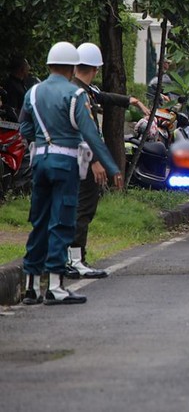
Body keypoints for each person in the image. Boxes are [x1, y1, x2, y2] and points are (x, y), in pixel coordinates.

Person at [18, 42, 123, 305]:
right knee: (62, 221)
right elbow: (90, 134)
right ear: (71, 67)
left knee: (39, 220)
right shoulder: (75, 95)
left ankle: (30, 285)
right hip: (65, 163)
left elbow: (24, 128)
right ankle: (55, 286)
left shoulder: (32, 92)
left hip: (39, 162)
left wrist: (41, 142)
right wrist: (111, 166)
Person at [64, 42, 150, 279]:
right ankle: (75, 260)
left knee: (81, 208)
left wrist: (130, 100)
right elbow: (84, 132)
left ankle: (74, 258)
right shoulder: (79, 93)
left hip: (78, 160)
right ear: (95, 69)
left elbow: (103, 96)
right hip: (83, 160)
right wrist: (95, 162)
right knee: (83, 208)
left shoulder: (83, 89)